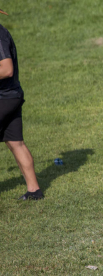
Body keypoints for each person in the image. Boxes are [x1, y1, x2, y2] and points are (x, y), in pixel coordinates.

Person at [0, 9, 43, 200]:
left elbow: (6, 69)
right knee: (16, 143)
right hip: (12, 95)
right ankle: (34, 191)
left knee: (17, 143)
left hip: (3, 97)